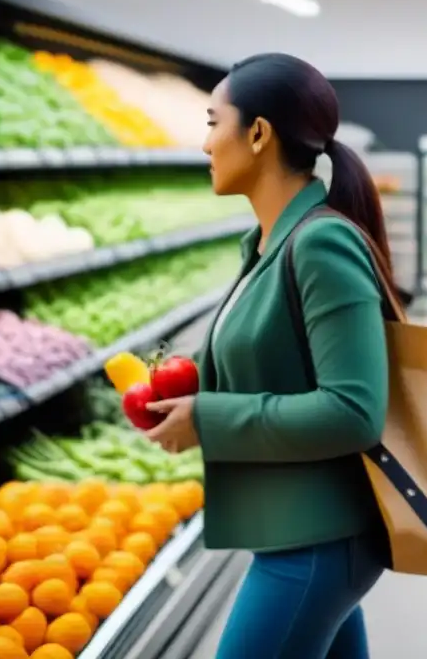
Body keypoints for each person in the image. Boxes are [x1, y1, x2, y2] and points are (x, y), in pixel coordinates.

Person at [143, 53, 393, 659]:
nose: (204, 144)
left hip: (317, 542)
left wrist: (208, 419)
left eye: (212, 123)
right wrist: (187, 384)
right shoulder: (265, 244)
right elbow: (278, 356)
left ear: (257, 134)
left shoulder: (320, 243)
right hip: (295, 529)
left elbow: (354, 410)